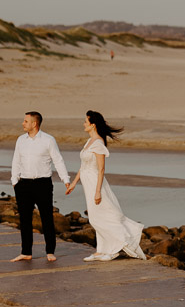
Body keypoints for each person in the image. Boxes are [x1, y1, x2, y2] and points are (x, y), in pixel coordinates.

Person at [66, 110, 147, 261]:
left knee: (101, 216)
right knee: (97, 216)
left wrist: (98, 191)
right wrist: (73, 183)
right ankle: (101, 251)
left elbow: (101, 169)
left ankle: (117, 247)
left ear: (93, 125)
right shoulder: (89, 142)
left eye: (86, 121)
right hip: (88, 183)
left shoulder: (98, 143)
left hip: (96, 183)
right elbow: (83, 166)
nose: (84, 124)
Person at [10, 111, 71, 262]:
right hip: (23, 184)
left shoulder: (48, 140)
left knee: (46, 218)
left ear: (34, 124)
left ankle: (50, 251)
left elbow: (58, 160)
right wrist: (14, 181)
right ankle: (26, 252)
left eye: (26, 121)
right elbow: (16, 161)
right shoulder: (20, 140)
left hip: (43, 184)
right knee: (24, 219)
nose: (23, 123)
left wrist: (65, 179)